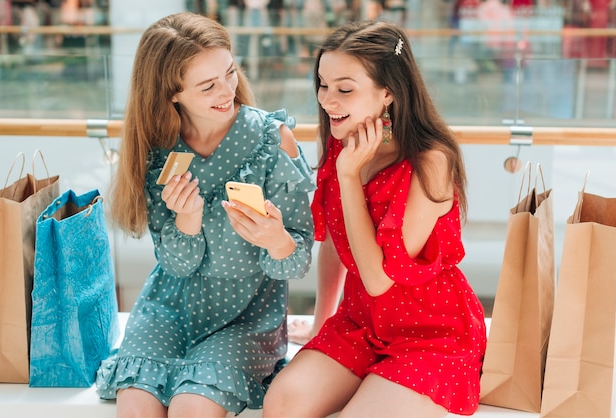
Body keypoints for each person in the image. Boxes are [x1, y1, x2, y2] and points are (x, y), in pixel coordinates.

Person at [95, 12, 315, 418]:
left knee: (193, 407)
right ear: (172, 94)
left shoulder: (272, 139)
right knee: (135, 406)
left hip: (247, 315)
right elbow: (176, 267)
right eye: (207, 85)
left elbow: (299, 261)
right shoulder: (159, 151)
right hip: (169, 308)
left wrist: (276, 240)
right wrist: (187, 220)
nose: (227, 90)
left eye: (229, 73)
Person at [263, 20, 487, 417]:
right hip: (361, 323)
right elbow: (334, 241)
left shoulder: (430, 162)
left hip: (431, 333)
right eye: (323, 84)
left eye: (345, 89)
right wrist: (320, 323)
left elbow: (380, 279)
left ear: (388, 93)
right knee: (281, 404)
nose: (328, 100)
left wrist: (350, 177)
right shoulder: (342, 140)